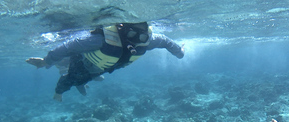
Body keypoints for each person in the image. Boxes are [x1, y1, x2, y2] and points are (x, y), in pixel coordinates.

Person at [27, 22, 184, 101]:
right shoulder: (101, 39)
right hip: (84, 63)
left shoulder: (148, 40)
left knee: (96, 76)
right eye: (132, 36)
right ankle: (58, 89)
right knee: (71, 79)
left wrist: (180, 53)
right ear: (123, 31)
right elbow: (68, 46)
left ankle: (69, 72)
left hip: (103, 66)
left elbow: (167, 42)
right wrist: (45, 62)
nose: (136, 41)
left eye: (141, 38)